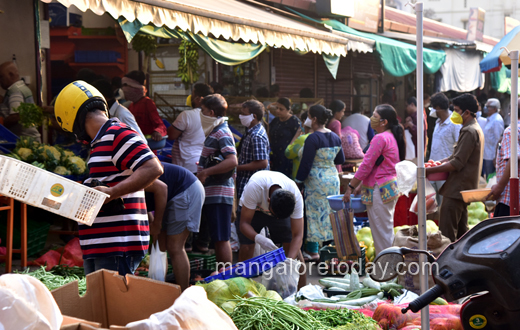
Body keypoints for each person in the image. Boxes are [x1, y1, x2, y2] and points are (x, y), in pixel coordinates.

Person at [54, 80, 163, 275]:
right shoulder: (100, 141)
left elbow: (153, 167)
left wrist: (111, 193)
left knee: (114, 305)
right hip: (101, 245)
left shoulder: (117, 133)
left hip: (117, 244)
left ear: (74, 119)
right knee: (100, 305)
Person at [343, 104, 405, 255]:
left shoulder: (380, 138)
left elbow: (365, 165)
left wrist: (350, 187)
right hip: (388, 188)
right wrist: (360, 185)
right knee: (384, 231)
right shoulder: (391, 136)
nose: (372, 119)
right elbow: (374, 166)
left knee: (381, 234)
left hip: (380, 189)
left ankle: (386, 270)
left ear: (384, 122)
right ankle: (388, 268)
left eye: (375, 117)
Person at [426, 94, 484, 242]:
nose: (455, 114)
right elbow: (455, 155)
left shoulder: (469, 131)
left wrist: (428, 170)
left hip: (457, 188)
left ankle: (445, 263)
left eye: (457, 110)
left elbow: (457, 163)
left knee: (446, 234)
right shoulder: (473, 128)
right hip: (463, 188)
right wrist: (437, 163)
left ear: (467, 112)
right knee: (462, 232)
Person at [236, 170, 306, 287]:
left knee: (294, 253)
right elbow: (244, 224)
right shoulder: (255, 187)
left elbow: (298, 235)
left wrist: (289, 262)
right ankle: (239, 289)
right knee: (246, 248)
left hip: (279, 208)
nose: (277, 219)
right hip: (254, 211)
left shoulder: (295, 196)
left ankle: (302, 294)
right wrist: (258, 238)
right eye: (275, 216)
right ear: (268, 200)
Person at [144, 162, 205, 291]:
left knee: (175, 247)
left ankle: (183, 295)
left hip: (185, 190)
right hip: (173, 193)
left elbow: (161, 188)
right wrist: (154, 223)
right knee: (160, 246)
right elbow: (144, 204)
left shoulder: (128, 175)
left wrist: (157, 223)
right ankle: (159, 291)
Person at [296, 105, 345, 260]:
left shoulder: (313, 138)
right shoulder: (335, 137)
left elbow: (306, 163)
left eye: (309, 116)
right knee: (330, 214)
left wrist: (298, 182)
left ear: (314, 119)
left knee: (314, 215)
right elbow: (340, 159)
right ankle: (329, 250)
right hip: (332, 179)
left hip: (316, 181)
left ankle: (313, 251)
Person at [197, 94, 238, 265]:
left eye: (203, 110)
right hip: (214, 192)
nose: (201, 113)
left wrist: (206, 172)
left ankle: (225, 277)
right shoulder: (215, 130)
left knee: (221, 238)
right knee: (218, 237)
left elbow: (232, 160)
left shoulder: (221, 131)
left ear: (211, 112)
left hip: (219, 193)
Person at [168, 83, 213, 174]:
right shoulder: (213, 116)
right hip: (205, 163)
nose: (190, 97)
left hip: (187, 165)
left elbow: (171, 135)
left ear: (198, 99)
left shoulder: (187, 115)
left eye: (192, 94)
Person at [487, 98, 520, 217]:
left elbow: (514, 158)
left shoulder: (512, 130)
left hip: (510, 198)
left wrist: (499, 187)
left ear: (512, 113)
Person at [428, 92, 461, 206]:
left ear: (437, 108)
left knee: (445, 204)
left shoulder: (454, 124)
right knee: (433, 204)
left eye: (432, 107)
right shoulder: (437, 123)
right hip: (434, 168)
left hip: (447, 171)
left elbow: (459, 147)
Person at [123, 70, 167, 149]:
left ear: (135, 87)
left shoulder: (147, 103)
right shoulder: (131, 105)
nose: (123, 89)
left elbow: (160, 124)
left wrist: (157, 132)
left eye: (126, 85)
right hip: (135, 148)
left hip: (147, 150)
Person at [236, 100, 270, 200]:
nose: (240, 116)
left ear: (254, 116)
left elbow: (262, 163)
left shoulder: (256, 136)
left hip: (251, 185)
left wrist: (237, 167)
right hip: (245, 182)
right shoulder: (250, 131)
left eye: (244, 114)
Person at [0, 61, 41, 142]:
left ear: (11, 75)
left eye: (1, 77)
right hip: (29, 139)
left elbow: (16, 116)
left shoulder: (15, 91)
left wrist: (2, 125)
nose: (0, 81)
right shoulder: (21, 88)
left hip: (25, 141)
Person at [268, 97, 301, 177]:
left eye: (281, 109)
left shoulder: (294, 122)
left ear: (288, 110)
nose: (277, 111)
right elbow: (269, 135)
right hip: (275, 157)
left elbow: (298, 139)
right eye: (277, 108)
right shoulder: (275, 121)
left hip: (287, 159)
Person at [285, 111, 313, 180]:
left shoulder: (302, 139)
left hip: (300, 178)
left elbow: (288, 153)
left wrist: (296, 136)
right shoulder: (321, 136)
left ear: (304, 122)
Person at [482, 98, 504, 177]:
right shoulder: (489, 119)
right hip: (487, 154)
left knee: (491, 177)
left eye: (488, 106)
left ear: (494, 108)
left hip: (492, 155)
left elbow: (499, 140)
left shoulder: (496, 120)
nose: (486, 108)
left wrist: (496, 156)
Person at [327, 100, 346, 172]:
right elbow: (338, 141)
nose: (343, 114)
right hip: (334, 155)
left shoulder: (328, 121)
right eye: (342, 111)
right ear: (337, 111)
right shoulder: (336, 123)